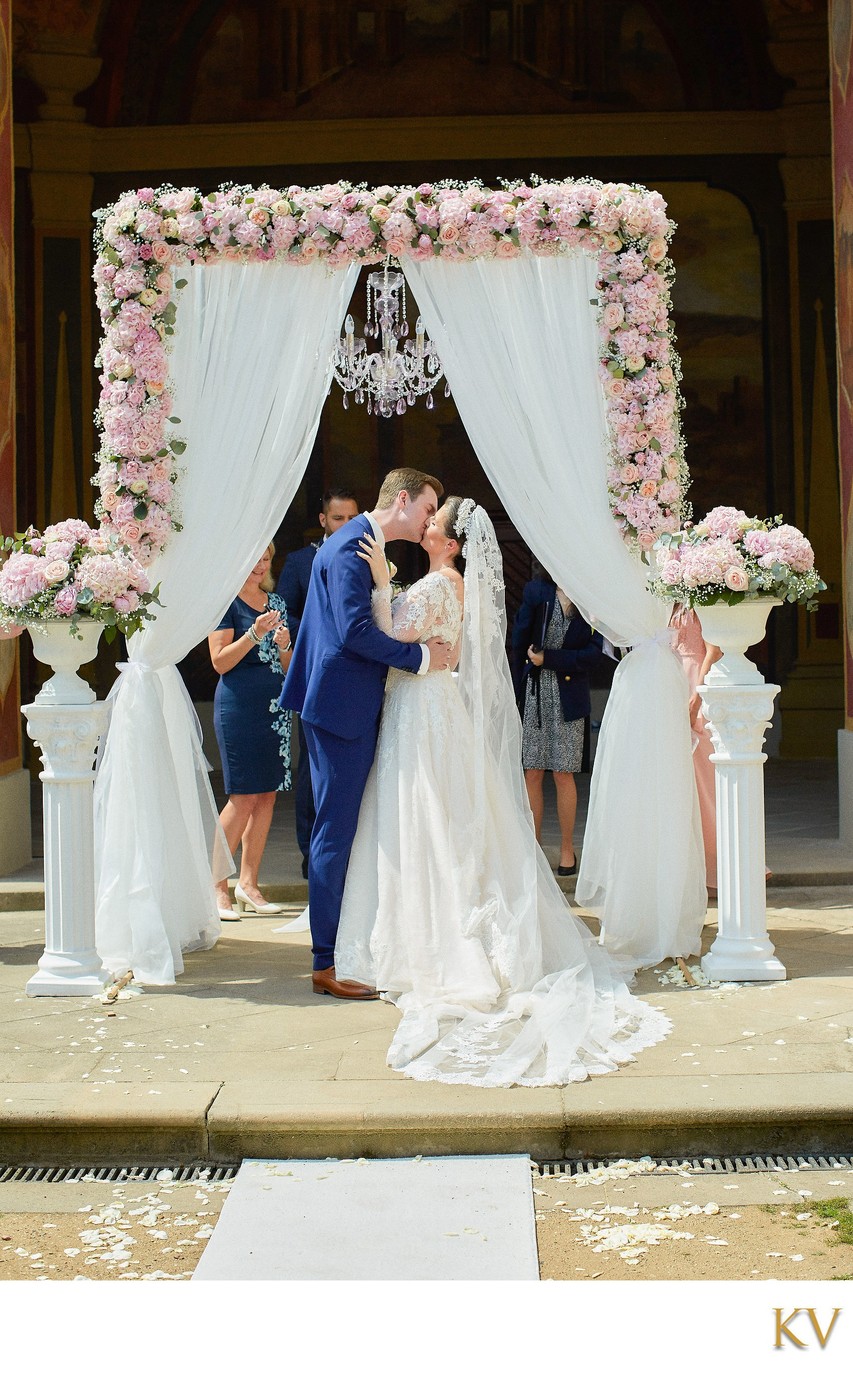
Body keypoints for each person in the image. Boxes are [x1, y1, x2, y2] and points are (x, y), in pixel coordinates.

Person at [334, 497, 671, 1088]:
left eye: (435, 521)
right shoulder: (445, 581)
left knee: (427, 818)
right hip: (428, 706)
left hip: (423, 710)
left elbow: (393, 637)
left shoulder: (442, 584)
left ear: (451, 542)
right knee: (428, 816)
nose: (427, 523)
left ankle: (437, 938)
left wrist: (384, 585)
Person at [279, 468, 455, 999]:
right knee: (335, 830)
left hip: (335, 701)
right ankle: (326, 961)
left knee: (338, 827)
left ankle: (342, 946)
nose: (428, 519)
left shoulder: (355, 542)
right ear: (402, 500)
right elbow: (355, 632)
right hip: (340, 706)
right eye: (426, 508)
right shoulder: (353, 546)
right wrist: (422, 657)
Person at [276, 488, 359, 878]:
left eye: (351, 518)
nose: (346, 525)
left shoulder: (368, 557)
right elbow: (284, 611)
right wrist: (320, 631)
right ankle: (311, 852)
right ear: (323, 520)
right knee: (312, 767)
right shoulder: (299, 562)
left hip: (358, 679)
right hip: (313, 675)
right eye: (338, 518)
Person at [208, 543, 293, 919]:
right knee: (242, 797)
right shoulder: (226, 602)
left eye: (266, 559)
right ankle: (216, 888)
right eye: (255, 558)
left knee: (267, 797)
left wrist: (285, 644)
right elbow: (220, 662)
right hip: (239, 707)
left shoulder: (276, 601)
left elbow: (289, 666)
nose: (261, 566)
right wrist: (254, 635)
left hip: (275, 708)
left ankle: (249, 883)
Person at [512, 571, 605, 877]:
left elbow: (594, 654)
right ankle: (533, 847)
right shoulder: (537, 589)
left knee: (564, 773)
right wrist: (513, 690)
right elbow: (518, 640)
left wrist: (549, 658)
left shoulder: (589, 593)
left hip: (570, 695)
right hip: (535, 693)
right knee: (534, 771)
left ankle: (567, 850)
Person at [670, 604, 722, 894]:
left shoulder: (701, 600)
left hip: (696, 690)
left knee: (705, 784)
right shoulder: (667, 603)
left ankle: (718, 866)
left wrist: (696, 698)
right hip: (671, 687)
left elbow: (714, 651)